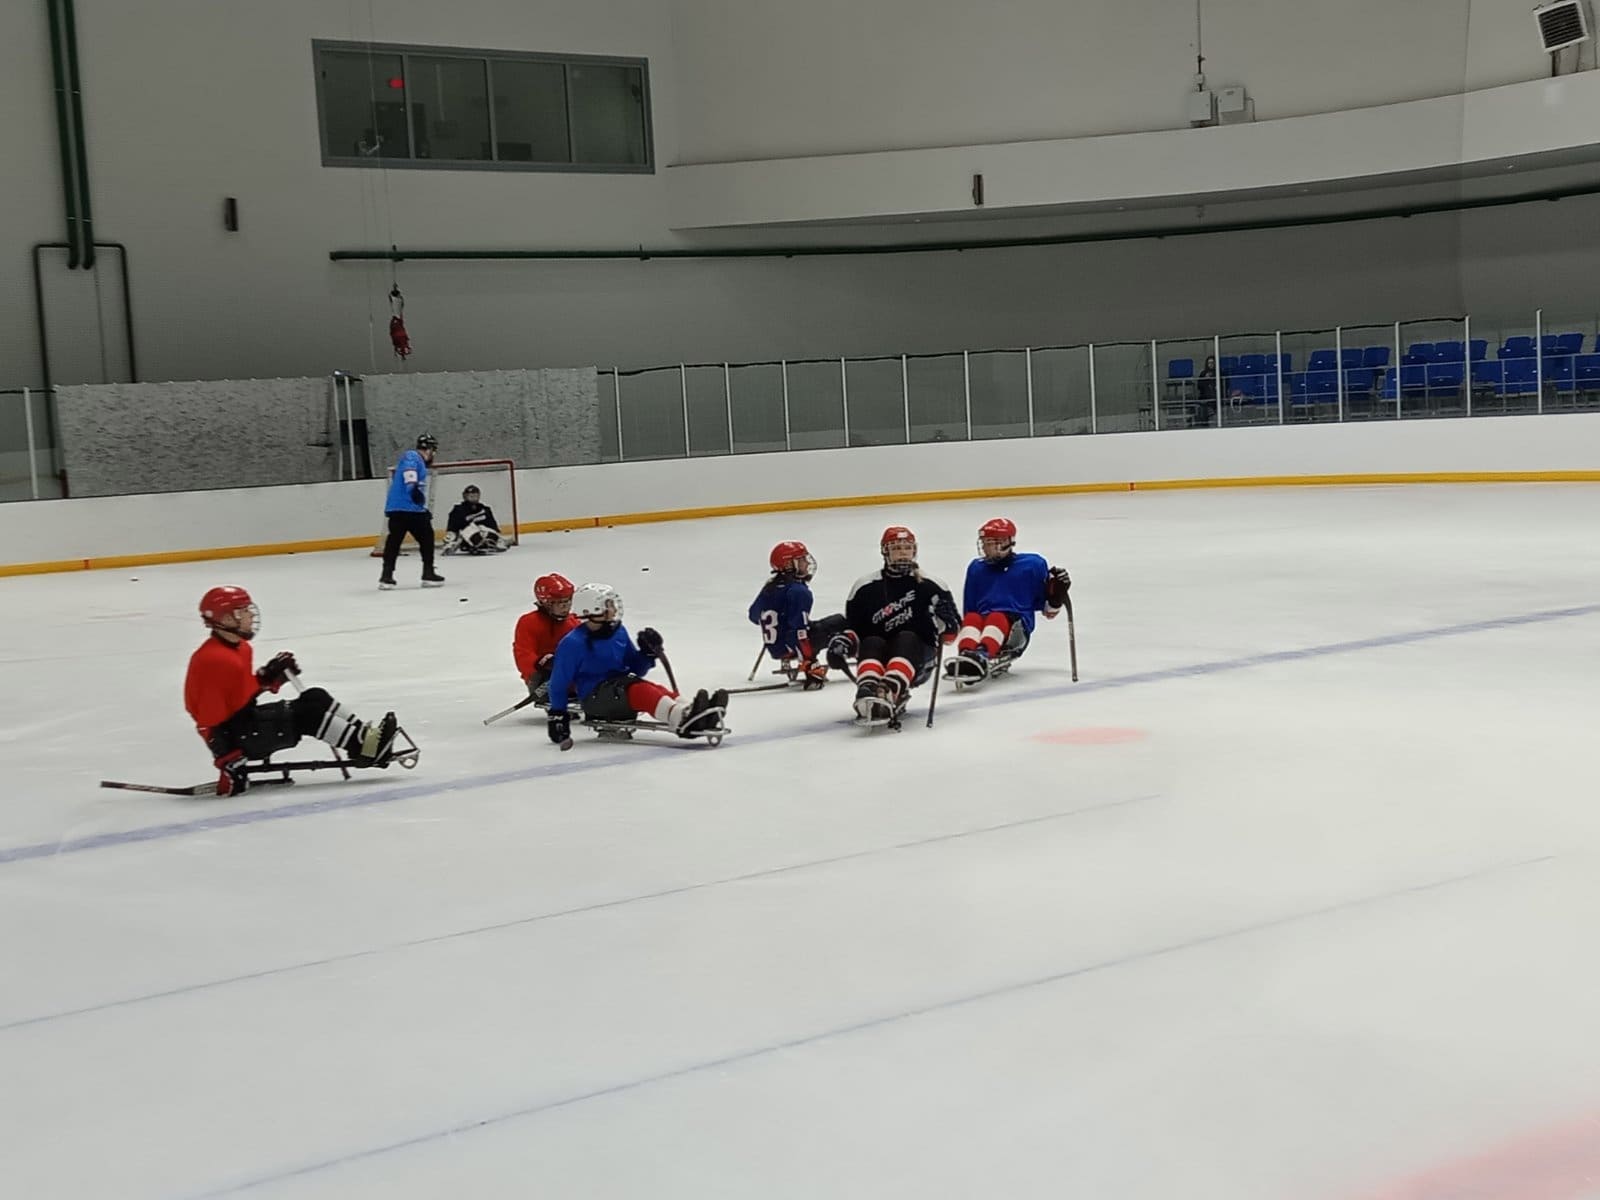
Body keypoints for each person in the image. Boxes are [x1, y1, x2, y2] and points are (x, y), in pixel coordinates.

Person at [183, 586, 402, 796]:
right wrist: (227, 760)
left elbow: (239, 694)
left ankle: (367, 740)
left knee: (315, 696)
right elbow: (208, 721)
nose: (251, 615)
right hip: (237, 738)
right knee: (308, 714)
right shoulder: (214, 660)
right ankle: (365, 748)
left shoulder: (240, 648)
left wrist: (268, 676)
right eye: (243, 611)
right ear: (226, 619)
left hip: (244, 721)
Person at [545, 583, 728, 744]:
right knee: (642, 691)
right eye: (608, 604)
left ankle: (692, 710)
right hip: (594, 698)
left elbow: (635, 668)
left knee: (656, 689)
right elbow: (558, 683)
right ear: (591, 610)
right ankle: (681, 717)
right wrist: (557, 716)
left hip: (618, 686)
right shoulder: (573, 643)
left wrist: (647, 654)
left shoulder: (618, 632)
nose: (614, 609)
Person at [826, 526, 959, 723]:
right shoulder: (864, 587)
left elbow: (950, 636)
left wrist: (947, 621)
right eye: (896, 548)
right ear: (885, 552)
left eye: (907, 548)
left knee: (907, 638)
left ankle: (889, 689)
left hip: (919, 659)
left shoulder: (932, 585)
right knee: (871, 641)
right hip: (878, 654)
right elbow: (855, 630)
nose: (903, 553)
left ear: (914, 550)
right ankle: (868, 688)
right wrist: (843, 642)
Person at [949, 517, 1071, 684]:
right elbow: (970, 609)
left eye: (989, 543)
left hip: (1016, 630)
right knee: (972, 618)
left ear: (1005, 542)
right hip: (984, 624)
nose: (984, 547)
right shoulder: (976, 568)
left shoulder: (1032, 565)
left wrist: (1057, 594)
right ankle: (966, 655)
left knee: (997, 617)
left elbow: (1049, 610)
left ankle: (981, 655)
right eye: (983, 542)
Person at [746, 540, 845, 689]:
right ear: (789, 565)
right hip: (791, 646)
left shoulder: (770, 587)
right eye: (802, 560)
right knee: (841, 622)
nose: (807, 563)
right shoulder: (799, 591)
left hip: (774, 646)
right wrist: (810, 663)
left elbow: (754, 616)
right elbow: (799, 633)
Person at [379, 433, 444, 590]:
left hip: (397, 509)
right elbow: (410, 473)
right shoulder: (413, 456)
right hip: (409, 509)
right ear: (430, 450)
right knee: (427, 538)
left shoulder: (415, 459)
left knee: (394, 542)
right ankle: (428, 572)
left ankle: (386, 576)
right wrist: (412, 488)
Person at [513, 573, 580, 705]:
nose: (565, 606)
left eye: (567, 601)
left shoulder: (573, 622)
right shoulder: (529, 622)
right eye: (559, 602)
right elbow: (523, 653)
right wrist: (542, 664)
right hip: (543, 677)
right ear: (546, 603)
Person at [444, 485, 507, 555]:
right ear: (465, 496)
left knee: (486, 530)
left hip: (482, 532)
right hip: (466, 537)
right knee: (469, 529)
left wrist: (496, 535)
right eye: (471, 496)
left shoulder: (485, 509)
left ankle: (490, 543)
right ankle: (479, 544)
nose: (474, 499)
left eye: (476, 496)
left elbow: (492, 525)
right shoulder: (458, 510)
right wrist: (451, 541)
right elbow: (453, 527)